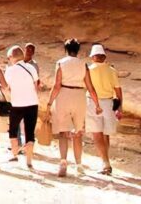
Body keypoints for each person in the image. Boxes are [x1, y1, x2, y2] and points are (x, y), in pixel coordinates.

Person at [47, 38, 102, 177]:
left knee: (63, 132)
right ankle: (78, 165)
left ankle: (63, 162)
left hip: (64, 96)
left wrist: (49, 102)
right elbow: (90, 87)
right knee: (78, 132)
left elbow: (57, 85)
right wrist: (97, 104)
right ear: (78, 50)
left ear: (66, 49)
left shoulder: (60, 63)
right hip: (79, 96)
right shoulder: (84, 65)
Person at [87, 44, 123, 175]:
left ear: (93, 57)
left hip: (93, 103)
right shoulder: (112, 70)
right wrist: (120, 107)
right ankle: (105, 161)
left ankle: (105, 163)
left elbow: (87, 88)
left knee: (97, 133)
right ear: (104, 57)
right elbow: (118, 90)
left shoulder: (89, 70)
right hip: (108, 103)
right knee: (105, 134)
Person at [5, 45, 39, 169]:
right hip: (32, 103)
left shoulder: (9, 70)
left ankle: (15, 154)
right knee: (30, 132)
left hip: (17, 104)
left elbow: (7, 87)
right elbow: (36, 85)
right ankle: (29, 161)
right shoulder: (31, 67)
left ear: (11, 57)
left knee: (13, 130)